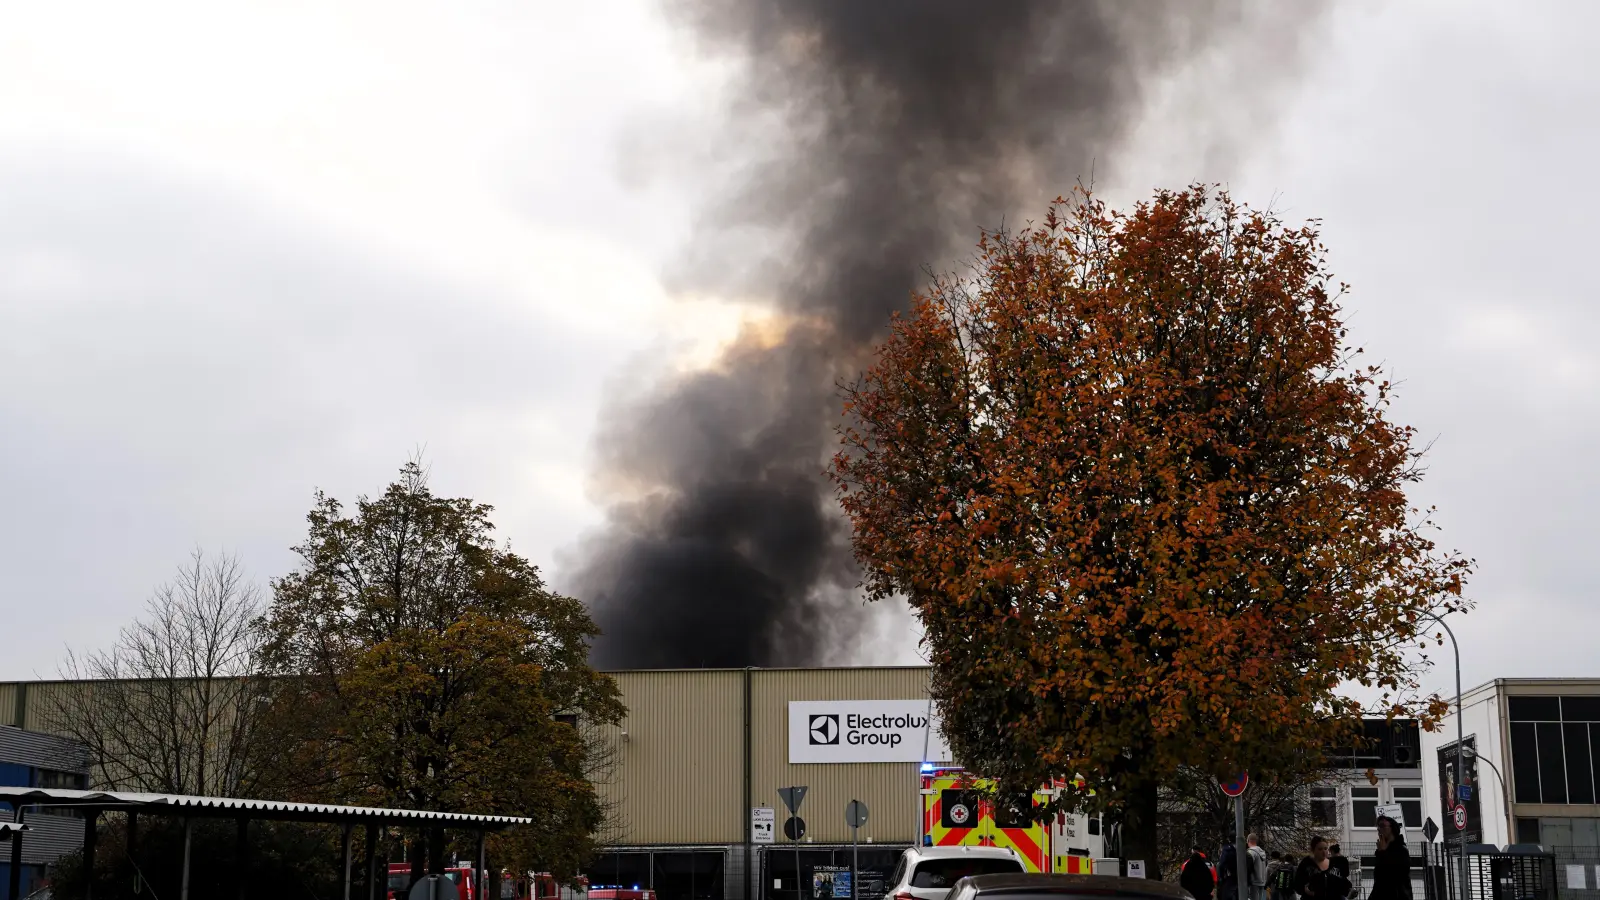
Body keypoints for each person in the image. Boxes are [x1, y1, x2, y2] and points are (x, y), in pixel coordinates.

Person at [1368, 815, 1413, 900]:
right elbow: (1379, 880)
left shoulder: (1401, 850)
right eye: (1378, 827)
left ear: (1392, 828)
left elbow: (1394, 876)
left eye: (1382, 826)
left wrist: (1383, 853)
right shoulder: (1381, 850)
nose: (1379, 829)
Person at [1247, 834, 1270, 900]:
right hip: (1262, 881)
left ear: (1248, 840)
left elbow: (1248, 868)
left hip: (1254, 881)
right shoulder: (1262, 852)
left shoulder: (1250, 852)